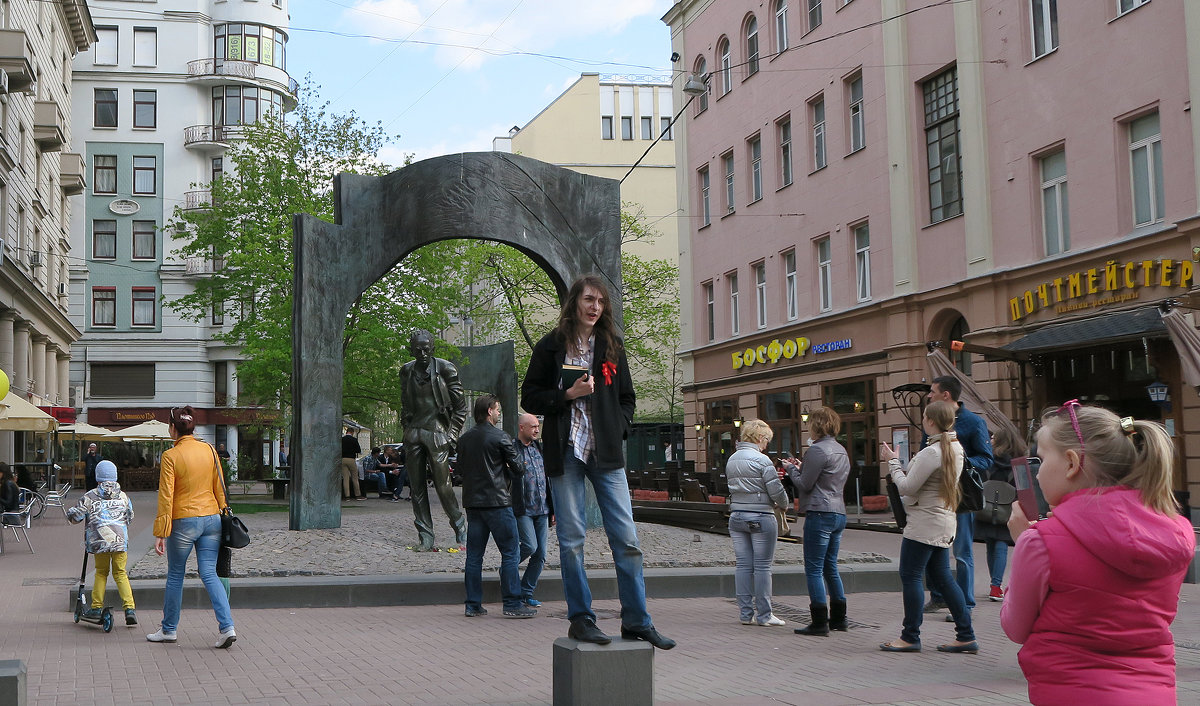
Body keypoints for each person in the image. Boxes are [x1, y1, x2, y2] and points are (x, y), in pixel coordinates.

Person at [1001, 402, 1194, 704]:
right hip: (1154, 692)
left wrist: (1024, 540)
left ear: (1071, 463)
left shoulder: (1041, 542)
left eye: (1040, 459)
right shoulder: (1176, 530)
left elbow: (1016, 626)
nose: (1036, 475)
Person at [521, 274, 675, 649]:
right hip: (567, 452)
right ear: (575, 302)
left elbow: (628, 399)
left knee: (626, 539)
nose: (595, 307)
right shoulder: (551, 347)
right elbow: (530, 397)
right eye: (589, 299)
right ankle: (581, 620)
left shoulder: (611, 346)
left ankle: (637, 620)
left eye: (601, 302)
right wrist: (567, 394)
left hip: (605, 455)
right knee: (572, 540)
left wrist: (618, 428)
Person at [879, 400, 978, 654]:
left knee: (911, 576)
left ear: (931, 421)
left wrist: (892, 462)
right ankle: (966, 635)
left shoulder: (931, 452)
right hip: (944, 521)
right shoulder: (956, 448)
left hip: (924, 524)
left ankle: (910, 636)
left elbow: (907, 487)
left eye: (924, 417)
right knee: (944, 578)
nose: (922, 420)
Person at [148, 406, 237, 648]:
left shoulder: (171, 456)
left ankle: (169, 629)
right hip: (212, 518)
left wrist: (161, 531)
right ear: (193, 427)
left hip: (184, 520)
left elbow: (166, 496)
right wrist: (222, 509)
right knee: (209, 573)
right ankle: (227, 626)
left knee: (176, 574)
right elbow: (219, 484)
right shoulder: (209, 450)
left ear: (173, 428)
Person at [459, 395, 535, 619]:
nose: (499, 413)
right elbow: (519, 468)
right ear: (490, 411)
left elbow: (461, 470)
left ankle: (472, 604)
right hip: (498, 503)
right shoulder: (500, 437)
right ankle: (512, 603)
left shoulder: (465, 439)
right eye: (498, 410)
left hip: (473, 504)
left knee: (474, 556)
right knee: (510, 552)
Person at [923, 376, 992, 618]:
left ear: (947, 395)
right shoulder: (932, 419)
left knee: (962, 552)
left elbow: (986, 459)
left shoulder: (973, 422)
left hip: (961, 496)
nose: (928, 395)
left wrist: (958, 462)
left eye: (932, 391)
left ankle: (966, 604)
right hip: (935, 495)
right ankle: (938, 597)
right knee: (932, 546)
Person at [399, 329, 469, 550]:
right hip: (414, 433)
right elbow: (405, 403)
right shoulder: (406, 371)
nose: (422, 353)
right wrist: (406, 427)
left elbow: (460, 408)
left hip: (437, 432)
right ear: (411, 349)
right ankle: (425, 535)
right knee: (416, 488)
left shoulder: (446, 369)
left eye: (426, 349)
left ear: (433, 349)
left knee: (443, 486)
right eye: (418, 349)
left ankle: (459, 526)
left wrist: (451, 435)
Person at [789, 406, 851, 636]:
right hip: (838, 511)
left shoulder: (816, 450)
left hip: (820, 511)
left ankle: (819, 621)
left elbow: (805, 484)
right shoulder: (841, 450)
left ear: (817, 425)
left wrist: (790, 469)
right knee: (830, 567)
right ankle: (839, 618)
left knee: (814, 569)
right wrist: (801, 468)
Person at [725, 418, 790, 627]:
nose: (766, 445)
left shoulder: (732, 459)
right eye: (766, 441)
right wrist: (784, 503)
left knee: (743, 565)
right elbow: (776, 491)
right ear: (760, 438)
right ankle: (764, 615)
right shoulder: (762, 461)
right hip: (761, 515)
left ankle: (745, 614)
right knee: (762, 567)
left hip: (737, 516)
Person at [66, 460, 137, 626]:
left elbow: (76, 516)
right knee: (120, 573)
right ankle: (129, 609)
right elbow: (130, 517)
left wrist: (70, 513)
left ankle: (97, 607)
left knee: (101, 573)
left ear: (98, 478)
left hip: (100, 542)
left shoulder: (90, 496)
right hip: (120, 543)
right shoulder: (124, 496)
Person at [976, 426, 1024, 602]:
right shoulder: (1018, 461)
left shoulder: (988, 458)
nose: (992, 439)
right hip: (1007, 509)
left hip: (986, 508)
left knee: (990, 544)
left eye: (995, 437)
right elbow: (1023, 487)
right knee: (1001, 544)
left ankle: (994, 584)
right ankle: (995, 586)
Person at [513, 413, 552, 608]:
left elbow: (548, 480)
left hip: (542, 509)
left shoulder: (540, 448)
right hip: (523, 509)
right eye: (533, 427)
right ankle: (508, 566)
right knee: (530, 546)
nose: (537, 430)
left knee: (541, 554)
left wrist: (553, 508)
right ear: (522, 428)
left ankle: (526, 592)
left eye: (538, 426)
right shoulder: (513, 449)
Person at [340, 428, 365, 501]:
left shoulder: (341, 439)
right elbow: (358, 450)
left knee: (345, 478)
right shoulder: (354, 440)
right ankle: (358, 495)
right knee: (355, 477)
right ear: (352, 432)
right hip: (351, 459)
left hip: (342, 459)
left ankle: (347, 496)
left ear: (347, 432)